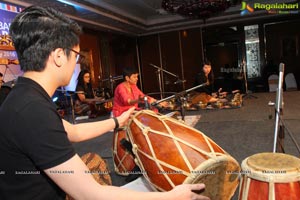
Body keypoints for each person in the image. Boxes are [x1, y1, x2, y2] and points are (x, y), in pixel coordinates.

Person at [0, 6, 209, 200]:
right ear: (58, 56)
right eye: (76, 54)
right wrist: (171, 196)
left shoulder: (24, 96)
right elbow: (90, 194)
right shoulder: (33, 110)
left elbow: (74, 132)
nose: (77, 62)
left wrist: (117, 122)